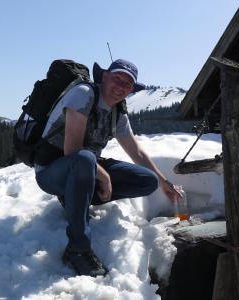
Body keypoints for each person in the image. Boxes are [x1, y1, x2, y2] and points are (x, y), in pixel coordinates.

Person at [34, 58, 182, 277]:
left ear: (132, 89)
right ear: (104, 76)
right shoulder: (83, 95)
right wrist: (103, 175)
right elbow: (72, 151)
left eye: (127, 84)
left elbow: (137, 153)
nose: (121, 87)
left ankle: (76, 197)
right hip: (51, 171)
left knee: (147, 180)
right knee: (84, 159)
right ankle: (77, 248)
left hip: (83, 167)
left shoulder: (117, 112)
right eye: (117, 79)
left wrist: (164, 183)